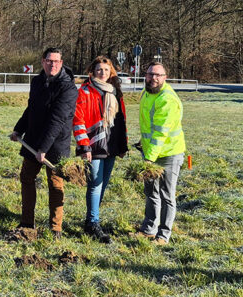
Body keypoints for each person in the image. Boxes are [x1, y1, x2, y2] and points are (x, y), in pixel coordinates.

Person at [9, 47, 77, 239]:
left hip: (56, 144)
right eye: (49, 61)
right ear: (43, 62)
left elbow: (57, 120)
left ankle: (55, 228)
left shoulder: (68, 88)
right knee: (26, 178)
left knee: (55, 184)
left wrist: (43, 149)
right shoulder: (37, 81)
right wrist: (19, 129)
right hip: (33, 140)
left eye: (56, 61)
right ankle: (26, 222)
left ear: (61, 63)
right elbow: (31, 108)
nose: (52, 64)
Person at [73, 56, 128, 243]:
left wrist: (123, 145)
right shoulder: (85, 91)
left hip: (111, 145)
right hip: (94, 145)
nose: (102, 73)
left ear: (111, 71)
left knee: (103, 184)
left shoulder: (115, 91)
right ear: (92, 71)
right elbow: (78, 120)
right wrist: (84, 145)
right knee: (95, 185)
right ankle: (92, 223)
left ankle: (93, 218)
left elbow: (121, 121)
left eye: (106, 69)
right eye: (99, 69)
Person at [136, 62, 185, 245]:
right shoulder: (146, 93)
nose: (153, 78)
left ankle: (163, 235)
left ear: (165, 77)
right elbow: (148, 124)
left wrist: (149, 158)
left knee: (166, 194)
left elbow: (160, 133)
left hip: (169, 154)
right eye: (150, 74)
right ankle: (149, 229)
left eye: (158, 75)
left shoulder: (167, 99)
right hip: (150, 152)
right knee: (151, 192)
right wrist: (143, 145)